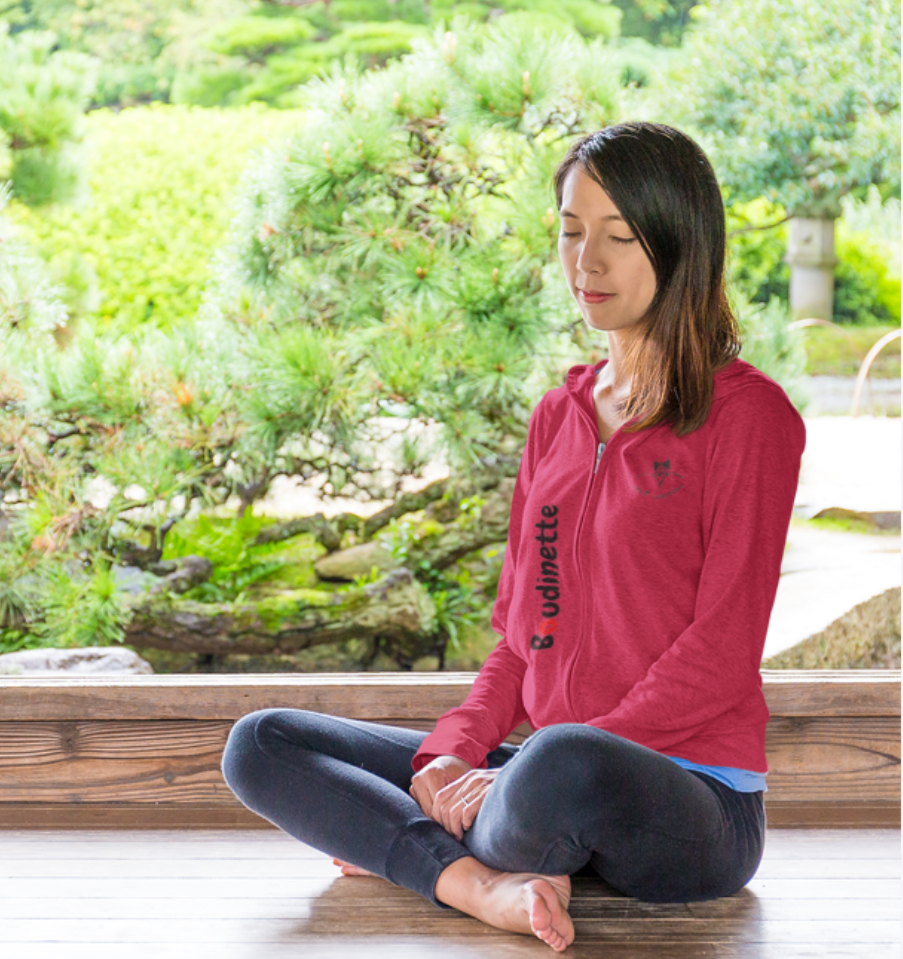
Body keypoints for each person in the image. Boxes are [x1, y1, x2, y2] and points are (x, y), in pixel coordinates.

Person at [220, 121, 806, 953]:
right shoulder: (556, 418)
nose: (585, 262)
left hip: (687, 796)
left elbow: (720, 650)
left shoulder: (745, 416)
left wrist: (508, 773)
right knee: (263, 742)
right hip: (530, 778)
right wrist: (450, 759)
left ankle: (412, 842)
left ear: (679, 243)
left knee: (561, 756)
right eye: (570, 232)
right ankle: (482, 882)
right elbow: (520, 638)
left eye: (618, 236)